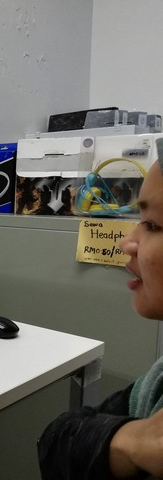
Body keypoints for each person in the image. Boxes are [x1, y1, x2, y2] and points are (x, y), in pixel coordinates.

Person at [38, 158, 163, 479]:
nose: (126, 243)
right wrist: (136, 441)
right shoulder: (157, 384)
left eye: (151, 225)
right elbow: (59, 438)